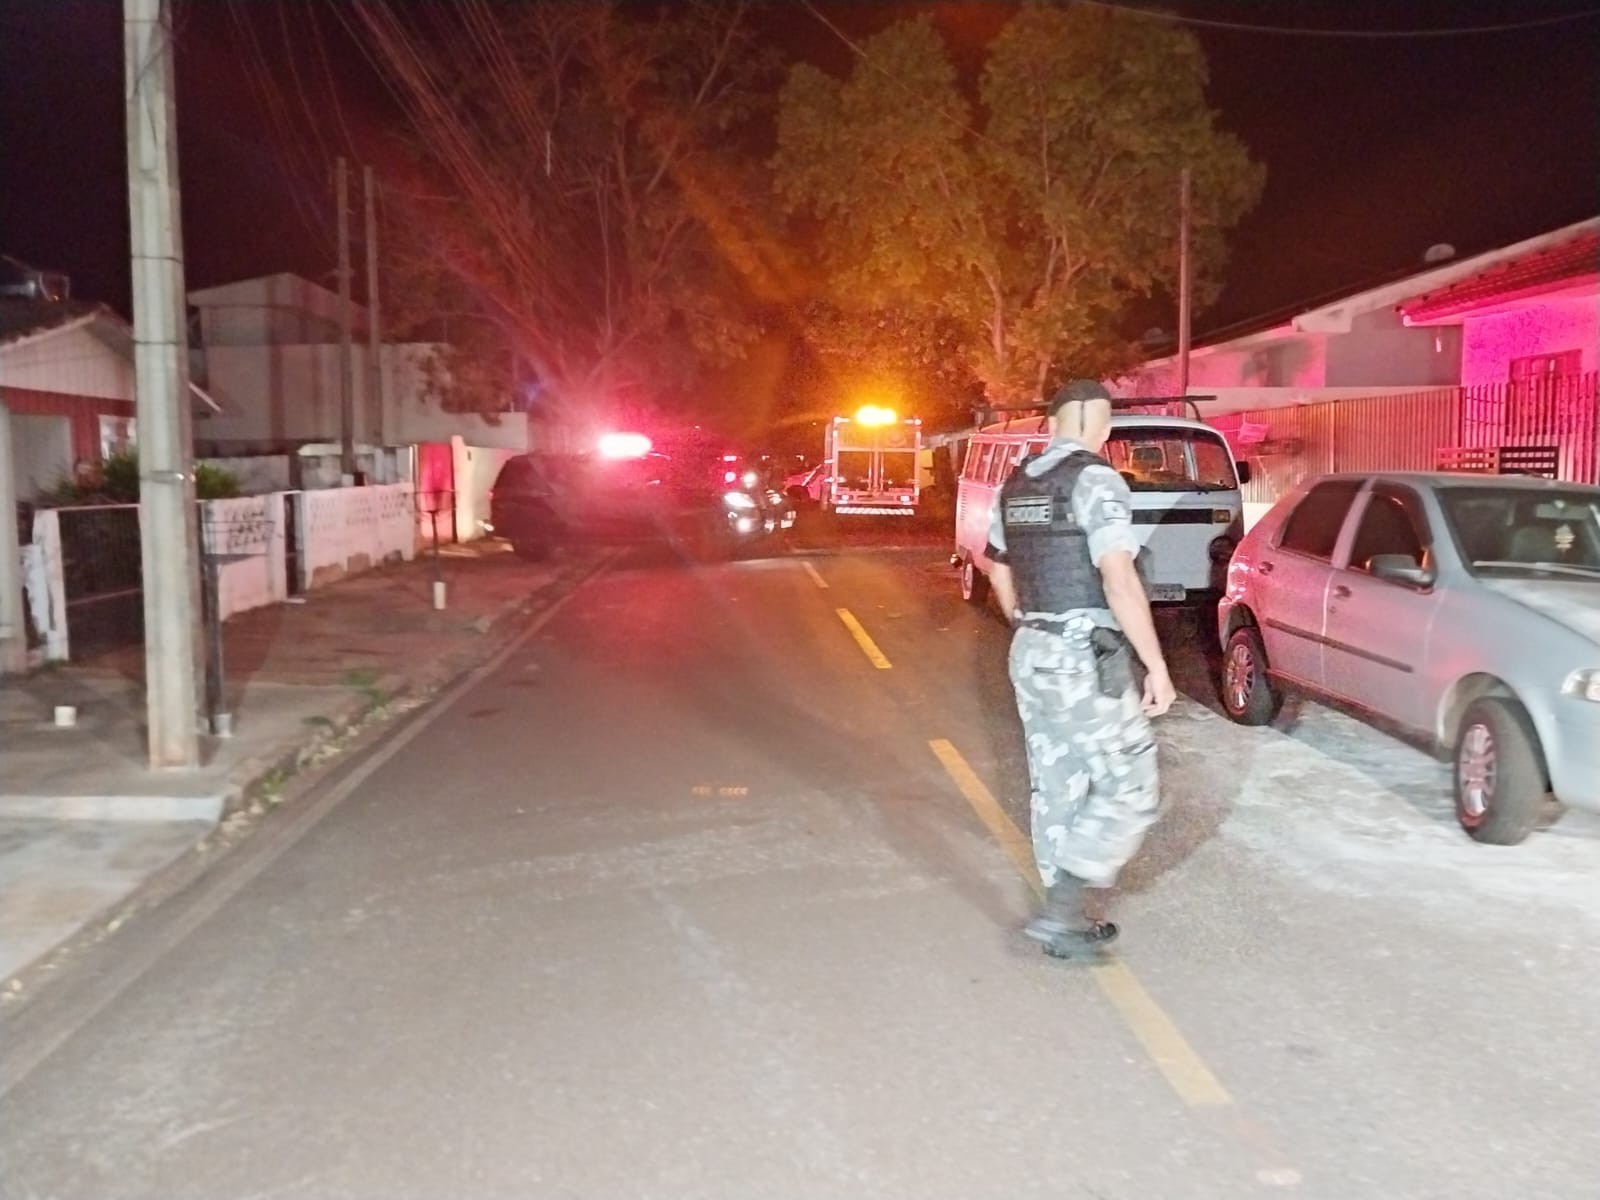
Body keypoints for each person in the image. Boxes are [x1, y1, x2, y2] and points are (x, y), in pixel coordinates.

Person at [985, 379, 1176, 961]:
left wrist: (1027, 620)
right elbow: (1119, 580)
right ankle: (1064, 909)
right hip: (1078, 657)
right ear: (1104, 427)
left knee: (1057, 783)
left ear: (1051, 422)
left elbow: (994, 568)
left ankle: (1062, 922)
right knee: (1131, 783)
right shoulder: (1096, 479)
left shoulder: (1015, 484)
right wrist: (1156, 667)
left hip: (1031, 650)